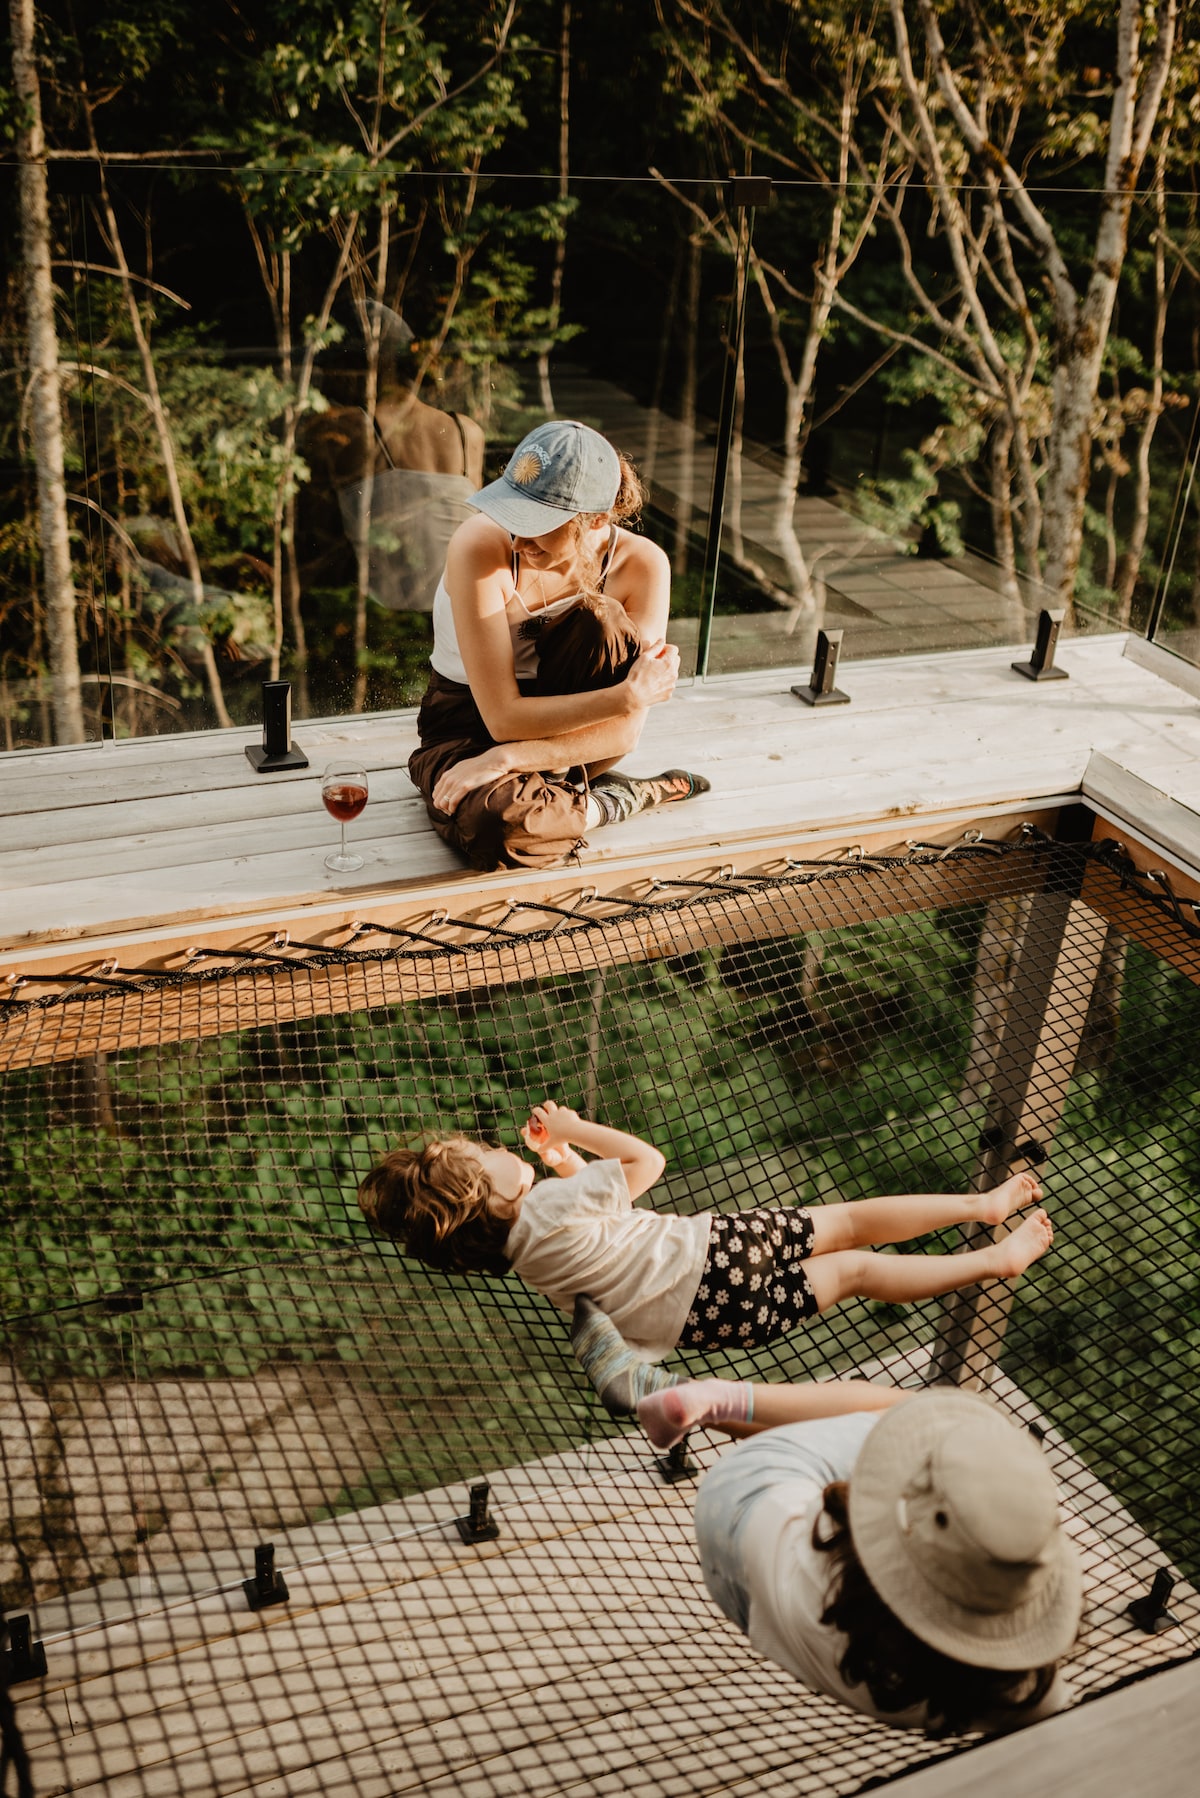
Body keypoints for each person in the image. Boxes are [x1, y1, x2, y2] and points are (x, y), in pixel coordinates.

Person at [357, 1100, 1055, 1415]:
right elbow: (646, 1163)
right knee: (849, 1223)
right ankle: (981, 1207)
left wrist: (560, 1159)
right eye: (488, 1154)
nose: (497, 1148)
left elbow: (595, 1221)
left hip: (720, 1319)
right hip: (719, 1251)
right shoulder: (550, 1208)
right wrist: (576, 1129)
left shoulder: (525, 1257)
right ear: (490, 1191)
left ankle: (993, 1262)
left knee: (858, 1273)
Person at [671, 1383, 1083, 1737]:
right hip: (757, 1612)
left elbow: (873, 1479)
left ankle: (711, 1399)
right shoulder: (1020, 1698)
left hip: (739, 1505)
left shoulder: (823, 1561)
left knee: (916, 1420)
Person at [407, 419, 710, 871]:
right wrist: (625, 698)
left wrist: (508, 758)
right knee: (495, 825)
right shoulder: (479, 546)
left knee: (602, 619)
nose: (517, 540)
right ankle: (610, 801)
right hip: (468, 726)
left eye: (537, 524)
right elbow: (503, 719)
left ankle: (561, 793)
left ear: (597, 519)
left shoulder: (643, 564)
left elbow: (624, 733)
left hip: (579, 737)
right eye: (511, 515)